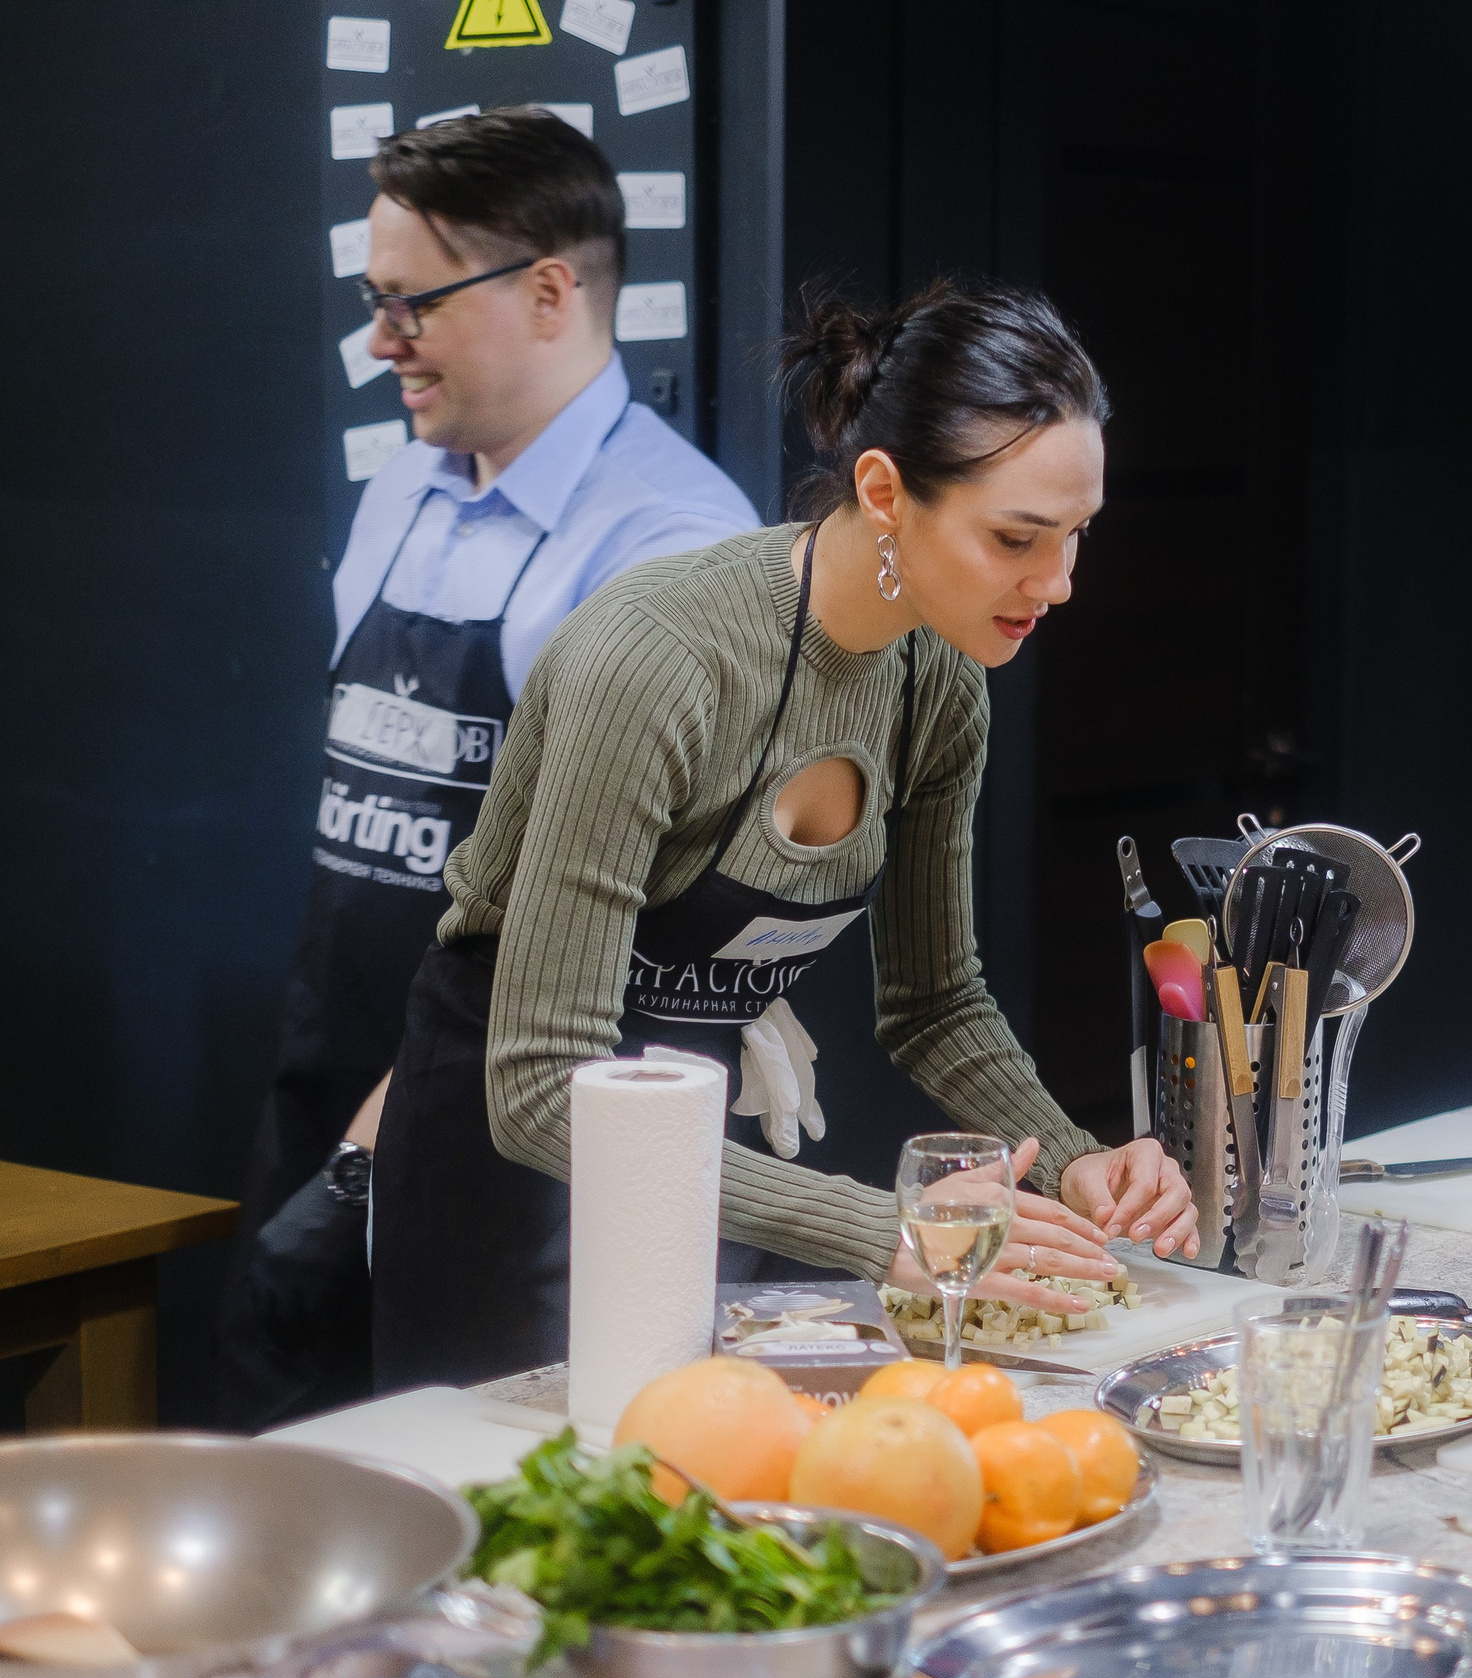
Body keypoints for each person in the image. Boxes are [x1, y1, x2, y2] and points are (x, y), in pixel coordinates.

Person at [369, 277, 1200, 1390]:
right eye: (1016, 538)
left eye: (1075, 538)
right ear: (884, 490)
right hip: (512, 1155)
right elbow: (538, 1087)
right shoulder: (661, 661)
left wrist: (1079, 1164)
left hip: (709, 1141)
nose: (1056, 585)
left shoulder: (940, 681)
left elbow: (935, 1007)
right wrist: (879, 1228)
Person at [217, 110, 759, 1428]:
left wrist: (369, 1161)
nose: (379, 341)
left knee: (495, 1533)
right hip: (335, 1075)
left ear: (551, 290)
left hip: (524, 1149)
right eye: (373, 299)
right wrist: (337, 1145)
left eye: (413, 305)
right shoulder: (404, 488)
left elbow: (586, 928)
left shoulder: (672, 546)